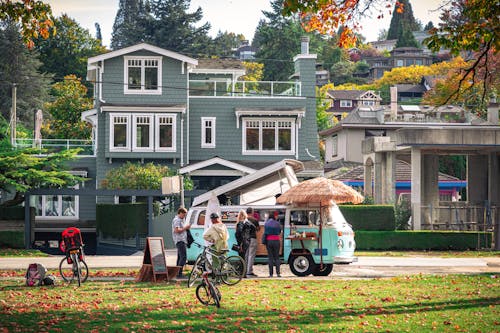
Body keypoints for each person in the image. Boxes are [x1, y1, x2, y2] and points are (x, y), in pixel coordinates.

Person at [172, 207, 190, 278]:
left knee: (179, 257)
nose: (184, 216)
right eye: (184, 215)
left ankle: (177, 273)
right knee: (183, 257)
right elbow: (177, 230)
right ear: (180, 213)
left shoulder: (181, 220)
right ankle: (179, 274)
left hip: (182, 240)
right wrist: (185, 228)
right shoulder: (177, 220)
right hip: (180, 240)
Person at [263, 211, 281, 277]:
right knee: (277, 257)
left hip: (269, 241)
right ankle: (278, 273)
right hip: (276, 240)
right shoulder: (277, 223)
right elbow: (279, 232)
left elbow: (265, 232)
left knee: (270, 258)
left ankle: (271, 274)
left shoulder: (266, 223)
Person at [244, 207, 260, 277]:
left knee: (246, 255)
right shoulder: (254, 220)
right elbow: (258, 229)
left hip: (246, 239)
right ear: (252, 212)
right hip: (253, 238)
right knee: (251, 255)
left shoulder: (244, 219)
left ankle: (245, 271)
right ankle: (249, 272)